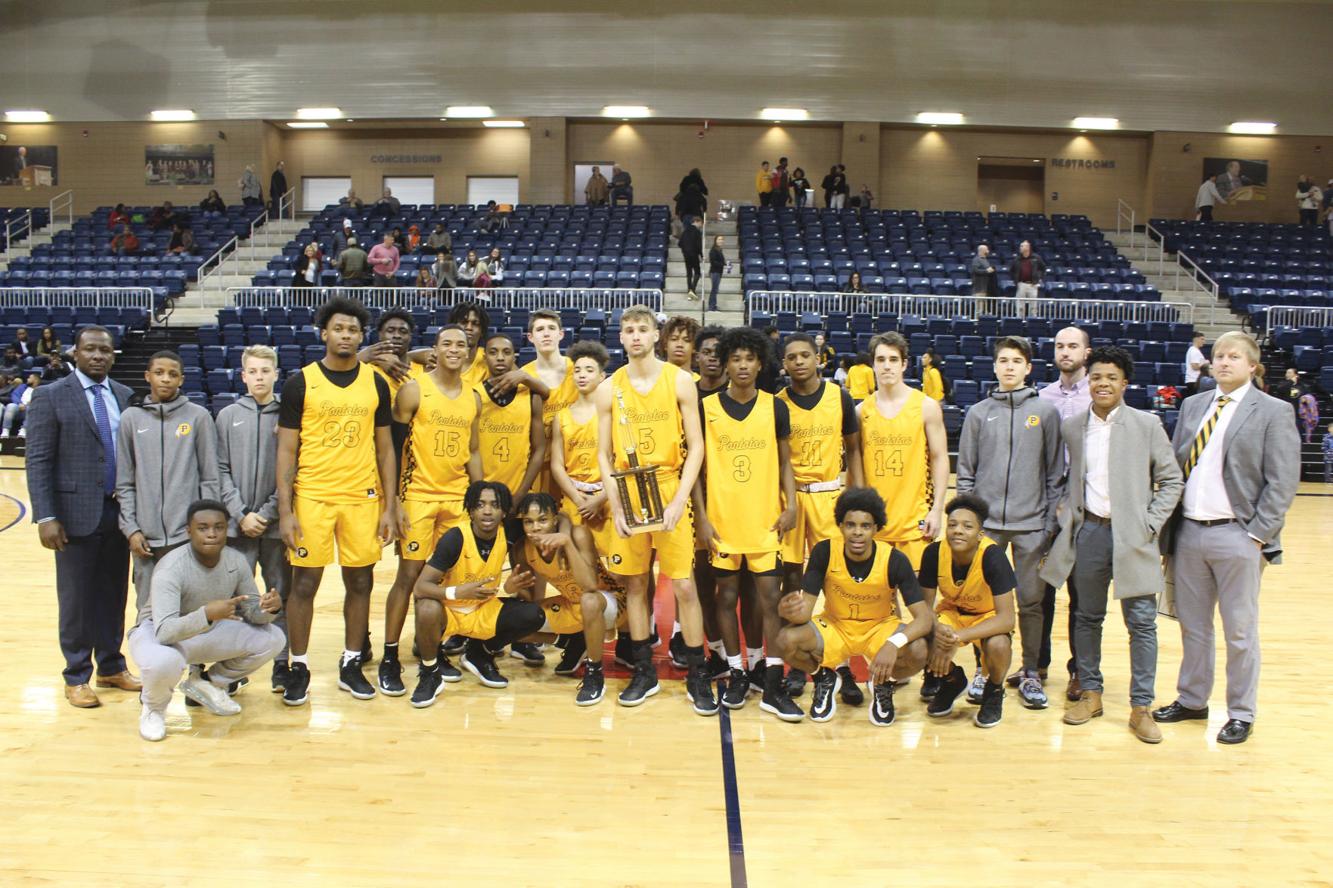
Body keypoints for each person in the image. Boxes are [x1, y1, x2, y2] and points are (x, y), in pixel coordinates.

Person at [1155, 331, 1300, 745]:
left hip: (1238, 535)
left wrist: (1257, 535)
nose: (1223, 362)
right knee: (1193, 627)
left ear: (1252, 366)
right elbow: (1176, 466)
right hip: (1190, 533)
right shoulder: (1193, 405)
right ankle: (1193, 699)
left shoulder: (1272, 411)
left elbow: (1282, 480)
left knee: (1239, 631)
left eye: (1234, 356)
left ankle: (1240, 711)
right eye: (1218, 356)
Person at [1040, 345, 1183, 743]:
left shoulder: (1147, 425)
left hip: (1133, 535)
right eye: (1097, 377)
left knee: (1141, 621)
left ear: (1125, 383)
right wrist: (1066, 514)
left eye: (1112, 377)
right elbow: (1063, 480)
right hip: (1089, 533)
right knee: (1087, 616)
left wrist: (1149, 524)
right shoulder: (1074, 427)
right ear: (1089, 382)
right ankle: (1091, 692)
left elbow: (1172, 481)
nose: (1103, 383)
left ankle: (1141, 707)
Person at [276, 297, 398, 705]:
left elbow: (385, 449)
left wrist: (390, 505)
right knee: (305, 583)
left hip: (362, 496)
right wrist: (285, 511)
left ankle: (350, 663)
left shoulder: (376, 382)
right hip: (313, 496)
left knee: (360, 580)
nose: (346, 336)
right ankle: (298, 666)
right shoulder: (300, 382)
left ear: (361, 336)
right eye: (339, 329)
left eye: (353, 330)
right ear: (324, 333)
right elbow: (286, 452)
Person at [595, 305, 715, 712]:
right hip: (628, 489)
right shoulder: (608, 387)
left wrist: (680, 500)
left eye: (642, 329)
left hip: (667, 485)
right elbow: (603, 454)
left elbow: (697, 446)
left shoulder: (680, 380)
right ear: (621, 337)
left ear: (654, 336)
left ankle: (698, 674)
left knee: (683, 585)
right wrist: (615, 504)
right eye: (628, 330)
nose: (634, 336)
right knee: (634, 584)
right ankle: (644, 671)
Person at [25, 327, 139, 707]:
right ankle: (76, 674)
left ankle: (110, 665)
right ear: (75, 352)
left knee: (113, 593)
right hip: (72, 515)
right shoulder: (50, 396)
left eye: (105, 350)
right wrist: (45, 515)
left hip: (117, 512)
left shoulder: (123, 395)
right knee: (76, 599)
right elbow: (38, 459)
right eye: (90, 349)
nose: (97, 356)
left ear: (113, 355)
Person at [693, 327, 799, 718]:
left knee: (770, 600)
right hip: (721, 523)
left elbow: (786, 461)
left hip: (765, 522)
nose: (741, 365)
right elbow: (697, 468)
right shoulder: (708, 408)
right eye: (734, 359)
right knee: (726, 598)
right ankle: (737, 670)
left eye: (749, 359)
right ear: (725, 362)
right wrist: (701, 518)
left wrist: (791, 506)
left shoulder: (775, 407)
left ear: (760, 363)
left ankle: (769, 677)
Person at [954, 336, 1064, 710]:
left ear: (1028, 368)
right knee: (981, 603)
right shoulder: (979, 413)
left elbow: (1054, 474)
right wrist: (971, 525)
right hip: (987, 530)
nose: (1010, 367)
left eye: (1017, 361)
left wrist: (1048, 524)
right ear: (996, 366)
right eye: (1004, 360)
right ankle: (984, 671)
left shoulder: (1046, 413)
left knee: (1031, 602)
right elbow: (965, 472)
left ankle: (1031, 672)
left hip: (1032, 526)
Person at [378, 325, 483, 695]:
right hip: (418, 495)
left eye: (462, 345)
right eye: (447, 344)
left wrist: (481, 494)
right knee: (408, 577)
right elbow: (391, 447)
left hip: (456, 500)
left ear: (469, 353)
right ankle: (389, 656)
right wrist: (392, 502)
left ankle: (431, 651)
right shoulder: (413, 390)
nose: (455, 350)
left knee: (444, 581)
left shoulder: (473, 397)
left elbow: (472, 450)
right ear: (434, 349)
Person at [128, 501, 285, 741]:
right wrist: (207, 614)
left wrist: (268, 609)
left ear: (226, 530)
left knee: (273, 637)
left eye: (218, 527)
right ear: (189, 531)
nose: (211, 534)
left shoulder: (236, 560)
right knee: (165, 660)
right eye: (203, 528)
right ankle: (154, 710)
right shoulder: (171, 567)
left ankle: (209, 683)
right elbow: (165, 632)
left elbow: (252, 611)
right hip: (157, 633)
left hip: (204, 630)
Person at [776, 487, 934, 725]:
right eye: (850, 525)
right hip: (835, 626)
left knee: (920, 650)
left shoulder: (894, 559)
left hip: (879, 628)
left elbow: (924, 619)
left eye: (865, 526)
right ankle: (824, 678)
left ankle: (883, 684)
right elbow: (804, 613)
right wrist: (786, 611)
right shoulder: (824, 552)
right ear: (840, 526)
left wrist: (894, 643)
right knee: (785, 640)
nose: (857, 533)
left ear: (876, 529)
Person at [777, 333, 863, 698]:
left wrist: (857, 498)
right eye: (791, 357)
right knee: (792, 579)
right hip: (792, 498)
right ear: (784, 364)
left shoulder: (839, 397)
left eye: (804, 355)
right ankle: (798, 663)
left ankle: (839, 664)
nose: (798, 362)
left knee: (835, 581)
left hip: (830, 495)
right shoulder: (778, 404)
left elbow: (855, 451)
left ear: (818, 359)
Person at [407, 481, 543, 704]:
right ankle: (430, 672)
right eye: (480, 505)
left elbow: (555, 515)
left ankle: (479, 653)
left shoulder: (508, 531)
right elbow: (420, 587)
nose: (487, 511)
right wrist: (458, 592)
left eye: (494, 505)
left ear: (504, 510)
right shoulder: (455, 538)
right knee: (426, 606)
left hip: (483, 610)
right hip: (450, 612)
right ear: (470, 509)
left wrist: (510, 588)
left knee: (533, 614)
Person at [116, 347, 221, 613]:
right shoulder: (131, 418)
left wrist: (203, 529)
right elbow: (125, 482)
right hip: (145, 538)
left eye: (172, 374)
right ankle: (150, 655)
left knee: (191, 606)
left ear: (181, 380)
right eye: (159, 373)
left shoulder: (198, 417)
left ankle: (193, 657)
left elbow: (210, 478)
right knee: (148, 609)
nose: (165, 379)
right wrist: (131, 529)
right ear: (147, 376)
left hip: (185, 535)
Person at [215, 345, 291, 691]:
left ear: (276, 374)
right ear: (243, 375)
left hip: (274, 527)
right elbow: (220, 470)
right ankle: (233, 668)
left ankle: (280, 664)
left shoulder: (287, 415)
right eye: (253, 371)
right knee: (236, 598)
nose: (259, 377)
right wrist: (241, 514)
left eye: (265, 371)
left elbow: (292, 470)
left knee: (279, 593)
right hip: (237, 527)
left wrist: (265, 513)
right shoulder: (227, 416)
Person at [510, 493, 627, 704]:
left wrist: (566, 543)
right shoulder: (522, 549)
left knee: (589, 601)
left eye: (542, 520)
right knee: (510, 618)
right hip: (573, 607)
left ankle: (594, 674)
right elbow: (526, 600)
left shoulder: (578, 534)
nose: (535, 527)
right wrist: (513, 588)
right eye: (529, 522)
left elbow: (590, 585)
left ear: (555, 519)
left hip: (610, 602)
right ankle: (572, 640)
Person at [918, 495, 1018, 728]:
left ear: (980, 534)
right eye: (952, 525)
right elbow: (924, 610)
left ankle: (994, 691)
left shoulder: (993, 556)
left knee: (999, 645)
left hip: (987, 617)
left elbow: (1007, 619)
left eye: (967, 526)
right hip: (952, 613)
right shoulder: (933, 553)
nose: (958, 531)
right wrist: (938, 630)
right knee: (923, 638)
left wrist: (957, 638)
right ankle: (952, 680)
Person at [857, 332, 950, 570]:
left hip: (915, 518)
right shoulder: (860, 412)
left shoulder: (926, 407)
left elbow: (940, 459)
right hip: (874, 522)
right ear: (873, 364)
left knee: (919, 600)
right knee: (879, 603)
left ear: (904, 364)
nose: (887, 366)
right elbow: (854, 467)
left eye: (893, 360)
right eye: (881, 360)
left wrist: (937, 510)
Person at [1038, 325, 1093, 700]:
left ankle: (1079, 671)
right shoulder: (1043, 398)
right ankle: (1036, 666)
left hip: (1084, 505)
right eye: (1060, 346)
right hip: (1047, 505)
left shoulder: (1100, 394)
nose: (1066, 351)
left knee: (1081, 595)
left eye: (1073, 346)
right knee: (1039, 591)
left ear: (1086, 353)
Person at [476, 332, 548, 510]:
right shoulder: (474, 394)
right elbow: (469, 451)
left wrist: (521, 494)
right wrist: (478, 492)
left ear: (514, 356)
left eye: (506, 352)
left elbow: (539, 449)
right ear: (484, 357)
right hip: (482, 495)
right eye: (493, 352)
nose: (500, 357)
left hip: (519, 492)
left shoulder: (531, 396)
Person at [1008, 240, 1045, 316]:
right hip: (1021, 284)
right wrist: (1016, 281)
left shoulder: (1036, 257)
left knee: (1033, 306)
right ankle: (1019, 321)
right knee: (1020, 306)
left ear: (1027, 247)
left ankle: (1033, 321)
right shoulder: (1017, 259)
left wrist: (1039, 278)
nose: (1020, 248)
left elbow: (1043, 268)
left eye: (1022, 246)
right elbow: (1011, 270)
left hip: (1033, 284)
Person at [1, 371, 37, 437]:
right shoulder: (22, 387)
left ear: (35, 380)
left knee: (31, 408)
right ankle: (5, 430)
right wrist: (19, 403)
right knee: (10, 405)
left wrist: (29, 404)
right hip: (18, 408)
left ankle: (24, 430)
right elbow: (15, 395)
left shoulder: (40, 389)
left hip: (30, 409)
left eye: (30, 378)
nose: (27, 379)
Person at [679, 216, 703, 300]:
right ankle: (692, 289)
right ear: (696, 221)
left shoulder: (685, 231)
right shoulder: (697, 232)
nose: (701, 225)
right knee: (697, 272)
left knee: (689, 273)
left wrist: (684, 250)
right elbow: (699, 245)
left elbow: (680, 243)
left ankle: (689, 291)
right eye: (700, 223)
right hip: (694, 254)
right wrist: (702, 255)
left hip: (686, 255)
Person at [1183, 332, 1207, 397]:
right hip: (1194, 380)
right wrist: (1205, 364)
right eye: (1202, 339)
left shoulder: (1195, 350)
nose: (1204, 342)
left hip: (1195, 380)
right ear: (1196, 339)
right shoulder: (1194, 351)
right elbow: (1194, 366)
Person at [707, 234, 726, 311]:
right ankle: (711, 306)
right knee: (714, 290)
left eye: (721, 239)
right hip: (715, 272)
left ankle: (713, 305)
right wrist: (723, 264)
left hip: (718, 272)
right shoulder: (713, 250)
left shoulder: (719, 250)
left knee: (715, 290)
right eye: (719, 239)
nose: (720, 241)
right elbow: (714, 262)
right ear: (715, 241)